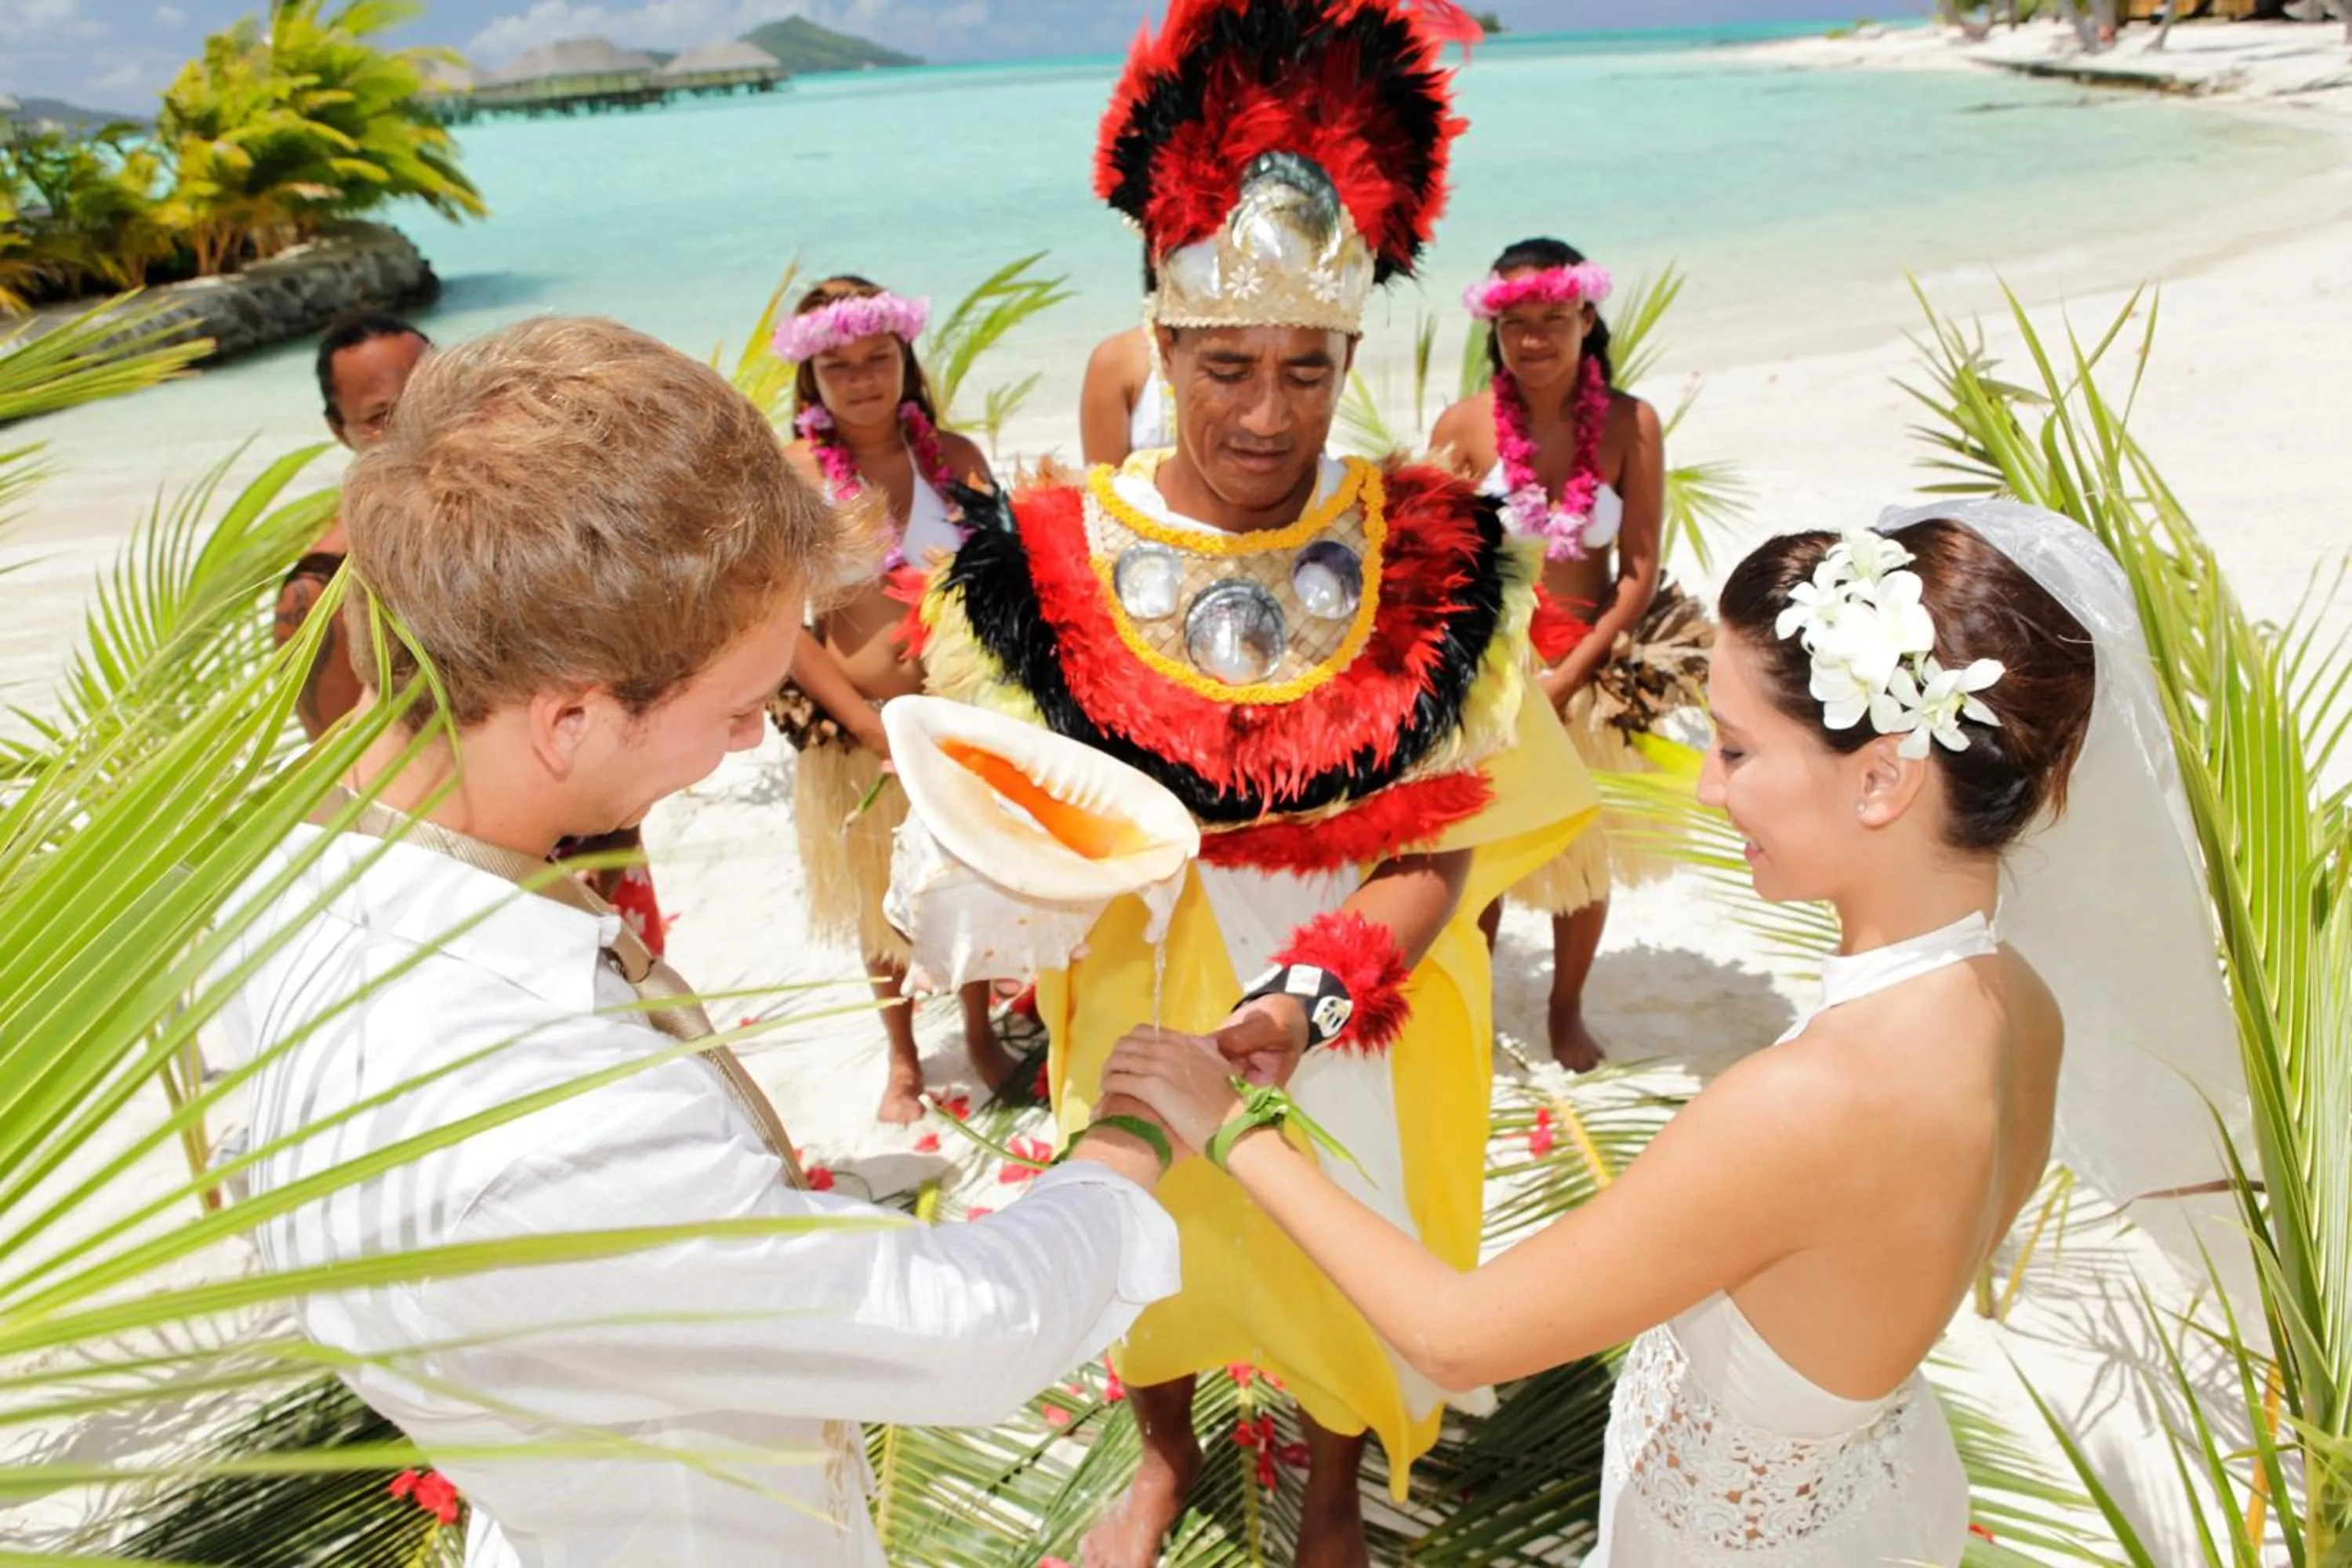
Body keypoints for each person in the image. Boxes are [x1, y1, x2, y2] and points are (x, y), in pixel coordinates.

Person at [1106, 504, 2254, 1563]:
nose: (1707, 791)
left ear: (1882, 783)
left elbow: (1457, 1337)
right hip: (1881, 1502)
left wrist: (1236, 1129)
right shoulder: (2021, 1009)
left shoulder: (1804, 1102)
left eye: (1741, 750)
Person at [220, 317, 1184, 1568]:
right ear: (571, 717)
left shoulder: (291, 900)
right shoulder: (537, 1089)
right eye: (735, 710)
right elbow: (957, 1330)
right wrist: (1135, 1140)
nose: (743, 744)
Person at [916, 3, 1591, 1562]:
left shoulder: (1441, 554)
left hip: (1358, 991)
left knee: (1358, 1234)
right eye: (1227, 365)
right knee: (1148, 1247)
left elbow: (1449, 850)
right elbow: (998, 816)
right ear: (1160, 347)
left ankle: (1334, 1481)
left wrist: (1307, 998)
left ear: (1353, 350)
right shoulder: (1045, 563)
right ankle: (1162, 1453)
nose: (1270, 416)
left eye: (1308, 367)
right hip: (1142, 976)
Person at [1429, 238, 1707, 1072]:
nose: (1536, 341)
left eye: (1554, 320)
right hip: (1493, 676)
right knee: (1479, 855)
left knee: (1584, 857)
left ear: (1587, 318)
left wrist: (1571, 672)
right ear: (1495, 327)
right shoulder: (1462, 426)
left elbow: (1642, 569)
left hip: (1594, 670)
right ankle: (1471, 1003)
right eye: (1518, 325)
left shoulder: (1629, 423)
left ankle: (1565, 1006)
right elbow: (1435, 560)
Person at [769, 274, 1013, 1121]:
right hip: (856, 726)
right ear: (812, 378)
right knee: (877, 893)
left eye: (880, 358)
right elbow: (779, 626)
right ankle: (903, 1056)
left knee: (966, 878)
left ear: (905, 358)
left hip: (958, 715)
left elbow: (1004, 581)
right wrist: (865, 719)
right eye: (840, 366)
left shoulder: (958, 456)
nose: (865, 379)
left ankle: (981, 1029)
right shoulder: (796, 477)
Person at [274, 310, 430, 740]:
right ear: (339, 430)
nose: (414, 424)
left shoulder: (527, 529)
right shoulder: (324, 589)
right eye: (381, 416)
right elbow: (336, 776)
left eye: (428, 396)